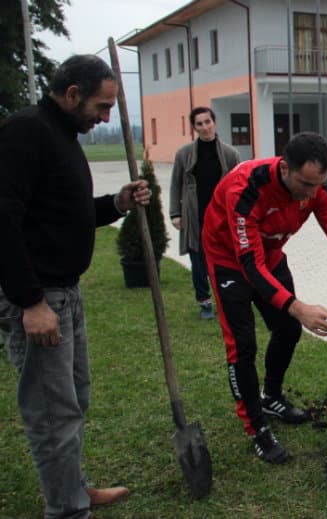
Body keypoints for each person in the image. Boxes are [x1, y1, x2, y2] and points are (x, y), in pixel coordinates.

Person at [0, 55, 152, 519]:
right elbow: (3, 220)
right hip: (41, 298)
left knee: (74, 399)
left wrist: (116, 203)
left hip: (67, 292)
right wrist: (30, 301)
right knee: (52, 411)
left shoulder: (62, 136)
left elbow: (63, 213)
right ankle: (67, 510)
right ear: (71, 94)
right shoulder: (26, 132)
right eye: (102, 107)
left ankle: (75, 489)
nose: (105, 117)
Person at [202, 131, 327, 464]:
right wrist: (298, 307)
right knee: (243, 345)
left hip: (270, 254)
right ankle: (256, 428)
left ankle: (272, 395)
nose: (312, 194)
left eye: (320, 184)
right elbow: (250, 266)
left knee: (288, 329)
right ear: (284, 168)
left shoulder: (316, 191)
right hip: (229, 261)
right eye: (306, 184)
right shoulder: (245, 187)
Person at [169, 106, 241, 320]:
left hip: (221, 218)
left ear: (214, 122)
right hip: (194, 216)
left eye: (207, 122)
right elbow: (176, 184)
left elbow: (240, 186)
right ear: (194, 127)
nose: (205, 127)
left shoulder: (230, 154)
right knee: (199, 263)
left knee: (225, 262)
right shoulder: (184, 154)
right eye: (199, 124)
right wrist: (175, 213)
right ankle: (205, 302)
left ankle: (228, 299)